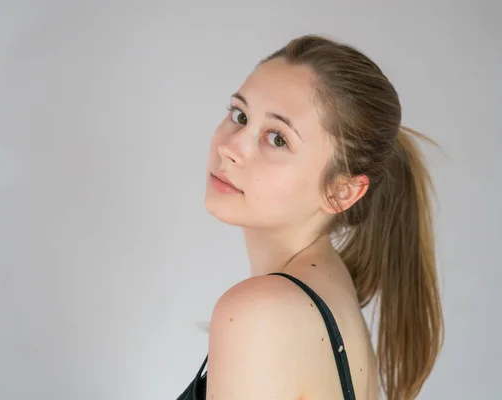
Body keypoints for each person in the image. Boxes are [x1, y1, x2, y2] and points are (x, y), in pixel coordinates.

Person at [177, 34, 444, 400]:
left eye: (278, 138)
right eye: (240, 115)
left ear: (341, 191)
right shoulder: (331, 289)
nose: (229, 147)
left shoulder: (261, 312)